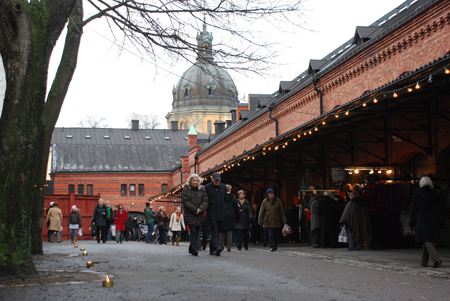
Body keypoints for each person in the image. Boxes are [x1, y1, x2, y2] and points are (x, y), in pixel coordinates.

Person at [410, 176, 445, 268]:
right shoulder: (436, 194)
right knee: (428, 239)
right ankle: (423, 261)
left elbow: (414, 208)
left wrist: (412, 221)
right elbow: (440, 208)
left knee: (426, 240)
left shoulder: (417, 194)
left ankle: (436, 259)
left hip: (422, 219)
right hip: (433, 218)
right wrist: (441, 221)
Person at [181, 173, 209, 256]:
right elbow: (186, 202)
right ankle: (194, 249)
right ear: (190, 181)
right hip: (190, 214)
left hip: (199, 214)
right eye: (194, 180)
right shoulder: (186, 190)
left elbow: (206, 201)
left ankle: (191, 247)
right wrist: (195, 209)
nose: (195, 182)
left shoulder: (202, 189)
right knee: (193, 231)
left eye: (197, 180)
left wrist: (200, 209)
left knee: (197, 232)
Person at [220, 185, 239, 252]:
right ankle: (229, 247)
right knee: (229, 232)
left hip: (222, 214)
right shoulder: (233, 198)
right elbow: (236, 208)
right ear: (230, 190)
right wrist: (237, 217)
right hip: (231, 216)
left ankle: (221, 245)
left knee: (222, 231)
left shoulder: (221, 197)